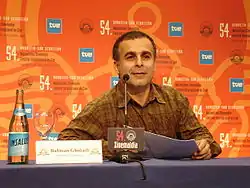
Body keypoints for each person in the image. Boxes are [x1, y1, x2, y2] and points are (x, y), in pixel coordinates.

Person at [58, 30, 222, 160]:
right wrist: (114, 147)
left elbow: (203, 137)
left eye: (146, 56)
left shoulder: (174, 100)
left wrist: (205, 146)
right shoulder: (103, 106)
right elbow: (66, 142)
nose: (139, 63)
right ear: (117, 66)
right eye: (130, 57)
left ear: (154, 63)